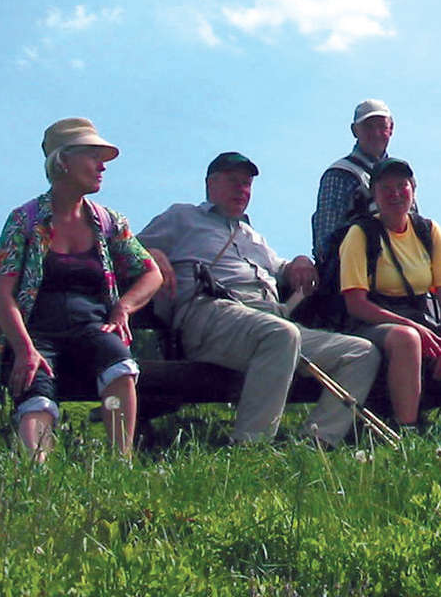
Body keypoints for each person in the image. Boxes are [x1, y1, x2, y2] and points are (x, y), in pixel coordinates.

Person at [138, 152, 383, 445]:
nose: (242, 190)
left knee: (362, 353)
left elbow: (282, 268)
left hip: (268, 325)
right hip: (210, 317)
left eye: (247, 184)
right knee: (282, 334)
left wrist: (301, 261)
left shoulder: (253, 237)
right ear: (210, 185)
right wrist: (153, 254)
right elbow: (130, 247)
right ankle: (251, 448)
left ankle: (316, 444)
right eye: (233, 182)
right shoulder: (182, 217)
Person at [0, 118, 162, 460]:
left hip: (92, 328)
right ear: (63, 161)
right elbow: (2, 293)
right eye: (93, 156)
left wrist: (123, 308)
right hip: (37, 333)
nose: (102, 167)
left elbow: (151, 273)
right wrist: (24, 350)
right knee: (35, 384)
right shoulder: (24, 220)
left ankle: (120, 463)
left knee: (118, 362)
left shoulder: (109, 221)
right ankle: (36, 480)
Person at [337, 158, 441, 427]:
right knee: (408, 339)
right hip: (375, 325)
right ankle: (409, 430)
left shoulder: (428, 230)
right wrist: (412, 327)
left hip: (424, 322)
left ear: (413, 189)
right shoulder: (359, 234)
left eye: (402, 186)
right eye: (386, 188)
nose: (395, 194)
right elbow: (356, 304)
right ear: (374, 195)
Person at [311, 99, 396, 264]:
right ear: (354, 131)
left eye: (382, 126)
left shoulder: (401, 175)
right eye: (368, 127)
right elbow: (325, 240)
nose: (376, 133)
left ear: (391, 128)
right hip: (358, 270)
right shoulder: (340, 174)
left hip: (405, 267)